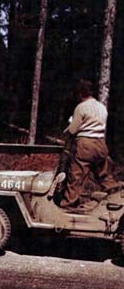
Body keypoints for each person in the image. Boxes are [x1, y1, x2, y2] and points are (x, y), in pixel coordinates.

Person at [59, 79, 120, 208]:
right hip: (101, 144)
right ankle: (116, 196)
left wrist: (67, 131)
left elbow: (73, 129)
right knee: (103, 173)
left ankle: (67, 204)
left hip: (85, 145)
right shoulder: (101, 107)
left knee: (76, 175)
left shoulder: (81, 107)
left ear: (80, 93)